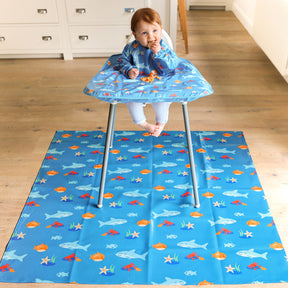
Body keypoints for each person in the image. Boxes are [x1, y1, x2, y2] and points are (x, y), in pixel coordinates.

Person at [118, 8, 179, 137]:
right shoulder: (131, 48)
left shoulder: (164, 47)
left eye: (155, 31)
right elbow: (122, 62)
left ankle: (160, 125)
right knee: (130, 100)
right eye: (144, 33)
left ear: (161, 29)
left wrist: (159, 53)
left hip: (159, 82)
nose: (151, 36)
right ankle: (144, 124)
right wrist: (129, 70)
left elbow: (171, 66)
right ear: (135, 35)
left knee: (162, 100)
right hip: (137, 84)